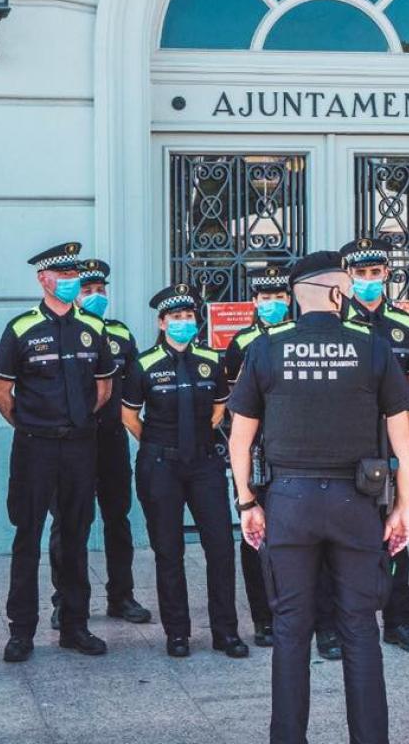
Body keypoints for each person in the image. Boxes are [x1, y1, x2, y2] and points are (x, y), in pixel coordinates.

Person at [227, 250, 409, 744]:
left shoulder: (267, 349)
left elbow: (240, 439)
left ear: (295, 295)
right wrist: (404, 508)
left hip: (289, 500)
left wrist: (247, 502)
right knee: (359, 627)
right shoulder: (373, 348)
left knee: (291, 628)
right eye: (350, 283)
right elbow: (404, 439)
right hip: (356, 502)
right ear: (338, 292)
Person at [0, 241, 118, 662]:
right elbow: (0, 393)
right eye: (62, 275)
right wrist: (33, 424)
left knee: (76, 536)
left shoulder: (93, 329)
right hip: (35, 447)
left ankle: (74, 624)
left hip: (80, 446)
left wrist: (76, 419)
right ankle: (21, 630)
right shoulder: (22, 328)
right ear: (43, 279)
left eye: (73, 275)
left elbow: (103, 389)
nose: (70, 281)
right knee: (26, 537)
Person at [122, 284, 248, 658]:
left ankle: (226, 632)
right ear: (162, 323)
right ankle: (177, 633)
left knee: (222, 547)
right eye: (175, 317)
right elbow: (129, 416)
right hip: (161, 465)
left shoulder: (211, 360)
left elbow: (219, 408)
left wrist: (197, 440)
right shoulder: (143, 365)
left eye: (189, 316)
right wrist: (161, 443)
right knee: (169, 550)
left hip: (205, 464)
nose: (183, 323)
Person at [336, 237, 409, 655]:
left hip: (390, 447)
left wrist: (408, 448)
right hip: (345, 446)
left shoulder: (405, 327)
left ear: (387, 275)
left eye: (376, 273)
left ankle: (398, 622)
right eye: (361, 274)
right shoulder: (336, 323)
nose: (369, 281)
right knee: (338, 538)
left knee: (396, 536)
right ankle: (335, 625)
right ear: (348, 278)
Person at [50, 258, 151, 628]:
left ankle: (121, 596)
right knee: (68, 522)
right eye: (87, 290)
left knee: (117, 518)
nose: (95, 296)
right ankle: (65, 600)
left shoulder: (121, 335)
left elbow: (137, 387)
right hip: (71, 442)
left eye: (100, 290)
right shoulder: (62, 331)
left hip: (110, 441)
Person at [220, 264, 293, 648]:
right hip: (257, 449)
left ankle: (296, 612)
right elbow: (237, 405)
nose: (273, 304)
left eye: (279, 297)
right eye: (266, 298)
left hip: (293, 446)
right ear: (254, 301)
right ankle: (262, 618)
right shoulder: (241, 343)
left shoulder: (297, 337)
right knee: (256, 538)